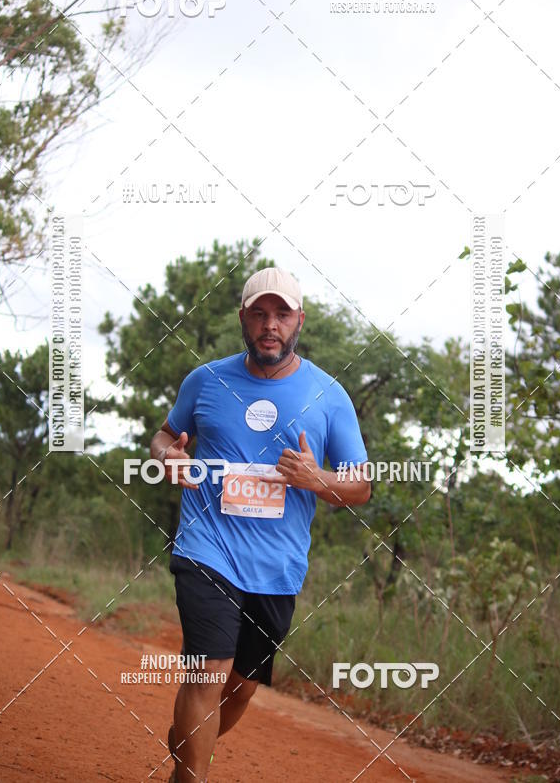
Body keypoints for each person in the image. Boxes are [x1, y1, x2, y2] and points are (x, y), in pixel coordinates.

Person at [149, 267, 370, 782]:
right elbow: (164, 436)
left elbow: (360, 487)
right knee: (208, 670)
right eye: (259, 313)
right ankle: (189, 775)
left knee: (243, 686)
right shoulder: (205, 381)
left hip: (277, 567)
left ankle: (186, 743)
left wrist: (318, 480)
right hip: (207, 548)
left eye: (282, 314)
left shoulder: (329, 394)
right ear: (243, 319)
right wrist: (169, 458)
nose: (270, 324)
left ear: (299, 320)